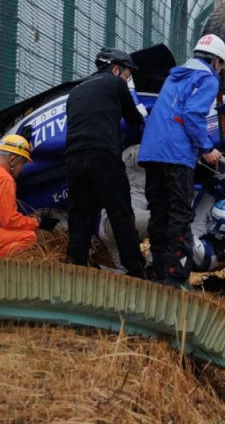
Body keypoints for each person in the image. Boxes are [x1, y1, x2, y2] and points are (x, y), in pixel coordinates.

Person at [138, 34, 225, 288]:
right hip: (176, 154)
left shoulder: (175, 75)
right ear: (217, 62)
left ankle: (158, 271)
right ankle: (175, 278)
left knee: (159, 213)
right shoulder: (208, 78)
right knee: (179, 214)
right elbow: (193, 114)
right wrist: (207, 148)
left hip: (151, 152)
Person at [64, 47, 146, 278]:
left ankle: (75, 267)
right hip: (103, 156)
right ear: (115, 68)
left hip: (73, 159)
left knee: (80, 217)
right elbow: (133, 120)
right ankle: (136, 269)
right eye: (127, 75)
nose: (126, 80)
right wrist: (139, 113)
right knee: (120, 213)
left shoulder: (75, 92)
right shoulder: (115, 84)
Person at [95, 144, 150, 271]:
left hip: (110, 226)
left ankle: (96, 270)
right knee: (169, 221)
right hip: (118, 222)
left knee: (131, 275)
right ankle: (155, 265)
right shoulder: (134, 153)